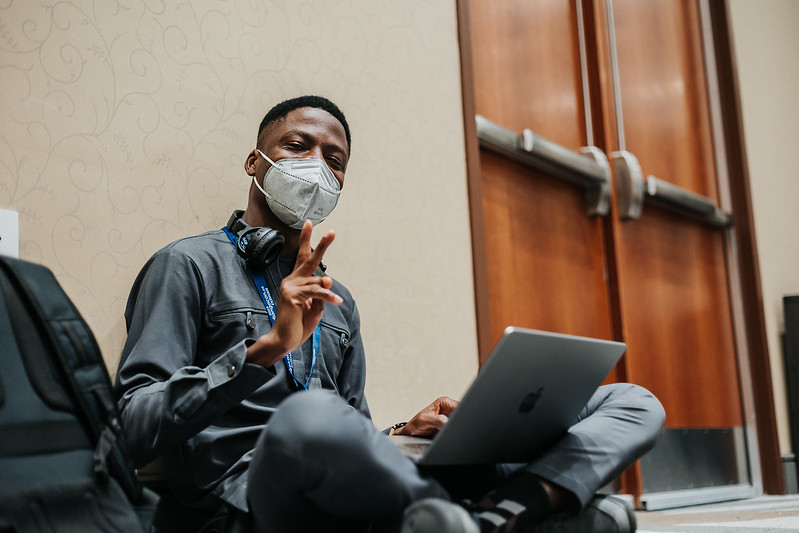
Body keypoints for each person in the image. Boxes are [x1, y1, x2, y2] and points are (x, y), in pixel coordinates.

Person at [114, 95, 665, 533]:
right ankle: (506, 516)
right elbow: (132, 427)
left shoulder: (337, 301)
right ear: (255, 161)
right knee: (305, 421)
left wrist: (404, 429)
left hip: (360, 486)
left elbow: (353, 429)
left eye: (334, 160)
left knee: (631, 401)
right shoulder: (185, 264)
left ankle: (503, 510)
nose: (317, 166)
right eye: (297, 145)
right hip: (254, 500)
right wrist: (266, 350)